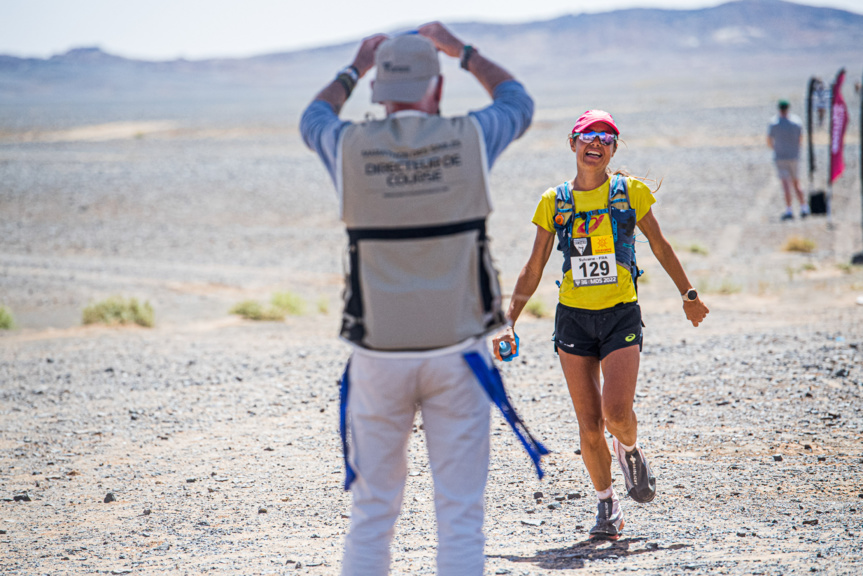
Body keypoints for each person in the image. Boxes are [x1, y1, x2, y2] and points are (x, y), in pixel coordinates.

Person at [300, 23, 534, 576]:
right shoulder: (472, 137)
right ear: (438, 87)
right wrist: (466, 52)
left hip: (378, 353)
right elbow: (518, 101)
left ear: (379, 90)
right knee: (460, 517)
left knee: (373, 514)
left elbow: (313, 119)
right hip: (459, 351)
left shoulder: (346, 145)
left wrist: (352, 68)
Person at [492, 110, 709, 541]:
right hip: (573, 317)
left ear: (613, 148)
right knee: (589, 424)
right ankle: (607, 505)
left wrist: (689, 295)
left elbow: (661, 246)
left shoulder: (630, 193)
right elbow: (534, 265)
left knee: (615, 413)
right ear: (572, 144)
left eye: (606, 138)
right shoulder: (554, 201)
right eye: (588, 136)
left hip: (620, 313)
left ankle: (629, 449)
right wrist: (508, 321)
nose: (597, 143)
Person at [767, 100, 808, 221]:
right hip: (794, 156)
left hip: (781, 157)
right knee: (797, 183)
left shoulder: (774, 123)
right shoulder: (796, 122)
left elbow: (769, 141)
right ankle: (804, 207)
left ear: (779, 108)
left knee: (786, 184)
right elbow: (800, 140)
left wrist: (776, 149)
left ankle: (789, 210)